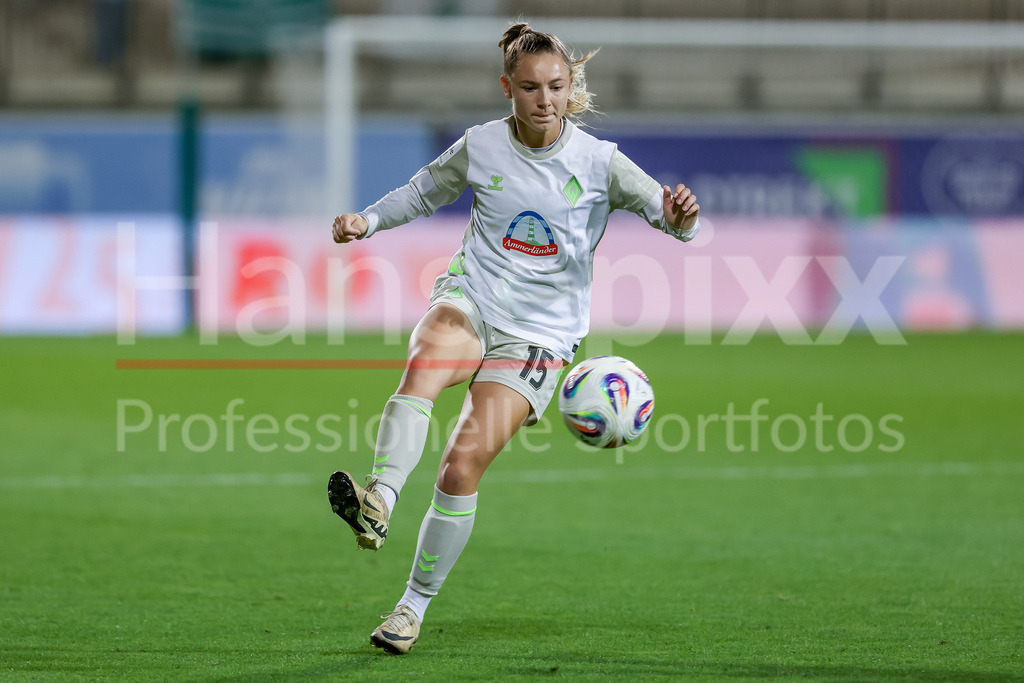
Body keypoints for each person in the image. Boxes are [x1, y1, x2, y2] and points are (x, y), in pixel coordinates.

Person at [328, 21, 700, 655]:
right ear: (508, 88)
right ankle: (380, 501)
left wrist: (682, 217)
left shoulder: (600, 163)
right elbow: (423, 193)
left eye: (556, 86)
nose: (544, 99)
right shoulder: (481, 147)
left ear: (571, 86)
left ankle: (410, 609)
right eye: (530, 88)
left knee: (461, 464)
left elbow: (668, 217)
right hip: (473, 296)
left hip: (541, 336)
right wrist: (368, 220)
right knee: (424, 363)